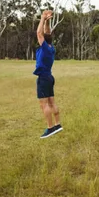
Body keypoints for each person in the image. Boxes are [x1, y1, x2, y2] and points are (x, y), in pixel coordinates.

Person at [34, 10, 62, 139]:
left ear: (44, 40)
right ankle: (57, 124)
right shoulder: (51, 48)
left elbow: (39, 33)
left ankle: (50, 128)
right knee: (52, 102)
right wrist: (47, 21)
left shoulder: (45, 47)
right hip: (49, 77)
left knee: (44, 104)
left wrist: (41, 18)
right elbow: (47, 33)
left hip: (44, 78)